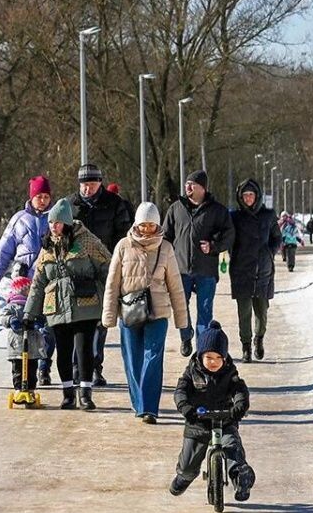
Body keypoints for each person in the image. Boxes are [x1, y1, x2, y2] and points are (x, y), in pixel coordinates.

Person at [102, 202, 190, 424]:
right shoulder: (123, 246)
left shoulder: (166, 248)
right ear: (137, 224)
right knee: (133, 359)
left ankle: (149, 408)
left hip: (158, 313)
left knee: (153, 358)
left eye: (151, 225)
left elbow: (176, 287)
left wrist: (183, 320)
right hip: (130, 311)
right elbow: (112, 283)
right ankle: (138, 402)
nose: (147, 229)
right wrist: (109, 316)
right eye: (143, 224)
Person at [23, 198, 111, 410]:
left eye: (58, 222)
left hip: (85, 304)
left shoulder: (87, 241)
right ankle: (68, 393)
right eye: (51, 222)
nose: (54, 226)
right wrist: (29, 313)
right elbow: (38, 283)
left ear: (67, 223)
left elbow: (107, 268)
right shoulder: (47, 248)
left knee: (83, 349)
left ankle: (86, 393)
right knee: (63, 350)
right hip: (57, 307)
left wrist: (107, 298)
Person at [169, 323, 255, 502]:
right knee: (189, 460)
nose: (214, 362)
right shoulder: (191, 373)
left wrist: (239, 406)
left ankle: (241, 478)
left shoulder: (230, 373)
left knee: (232, 448)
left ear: (224, 358)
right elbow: (180, 391)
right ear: (200, 356)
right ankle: (184, 477)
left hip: (225, 420)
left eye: (218, 357)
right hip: (198, 420)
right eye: (209, 357)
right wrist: (184, 406)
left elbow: (239, 390)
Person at [66, 164, 132, 387]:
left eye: (91, 185)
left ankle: (95, 368)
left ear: (100, 183)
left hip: (105, 269)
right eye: (83, 185)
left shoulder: (114, 204)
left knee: (100, 322)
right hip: (76, 270)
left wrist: (117, 260)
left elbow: (124, 235)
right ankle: (77, 369)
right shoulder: (70, 205)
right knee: (78, 322)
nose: (87, 189)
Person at [0, 175, 55, 384]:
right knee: (25, 326)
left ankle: (44, 365)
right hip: (23, 283)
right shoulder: (19, 219)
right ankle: (24, 370)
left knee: (48, 327)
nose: (43, 200)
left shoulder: (55, 220)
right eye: (39, 196)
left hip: (48, 281)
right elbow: (4, 251)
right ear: (31, 197)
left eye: (46, 196)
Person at [162, 169, 235, 357]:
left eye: (192, 184)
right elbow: (166, 236)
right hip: (181, 269)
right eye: (186, 184)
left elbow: (229, 234)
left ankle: (202, 346)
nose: (187, 187)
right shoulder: (176, 209)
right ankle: (186, 337)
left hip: (206, 269)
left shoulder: (217, 210)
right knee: (180, 307)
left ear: (202, 188)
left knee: (204, 310)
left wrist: (213, 246)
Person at [229, 179, 282, 362]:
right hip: (241, 271)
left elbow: (277, 237)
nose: (248, 198)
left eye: (251, 195)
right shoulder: (235, 217)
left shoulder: (268, 215)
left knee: (261, 311)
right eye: (245, 195)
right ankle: (246, 347)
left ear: (257, 196)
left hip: (263, 270)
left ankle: (259, 339)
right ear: (240, 197)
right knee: (243, 313)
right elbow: (229, 239)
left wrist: (269, 253)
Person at [1, 264, 45, 394]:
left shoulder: (33, 306)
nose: (29, 293)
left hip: (32, 343)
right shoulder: (12, 306)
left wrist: (38, 321)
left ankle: (30, 388)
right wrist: (11, 320)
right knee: (18, 369)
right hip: (17, 344)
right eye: (27, 290)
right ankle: (18, 389)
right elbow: (4, 317)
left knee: (32, 368)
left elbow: (41, 316)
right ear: (20, 290)